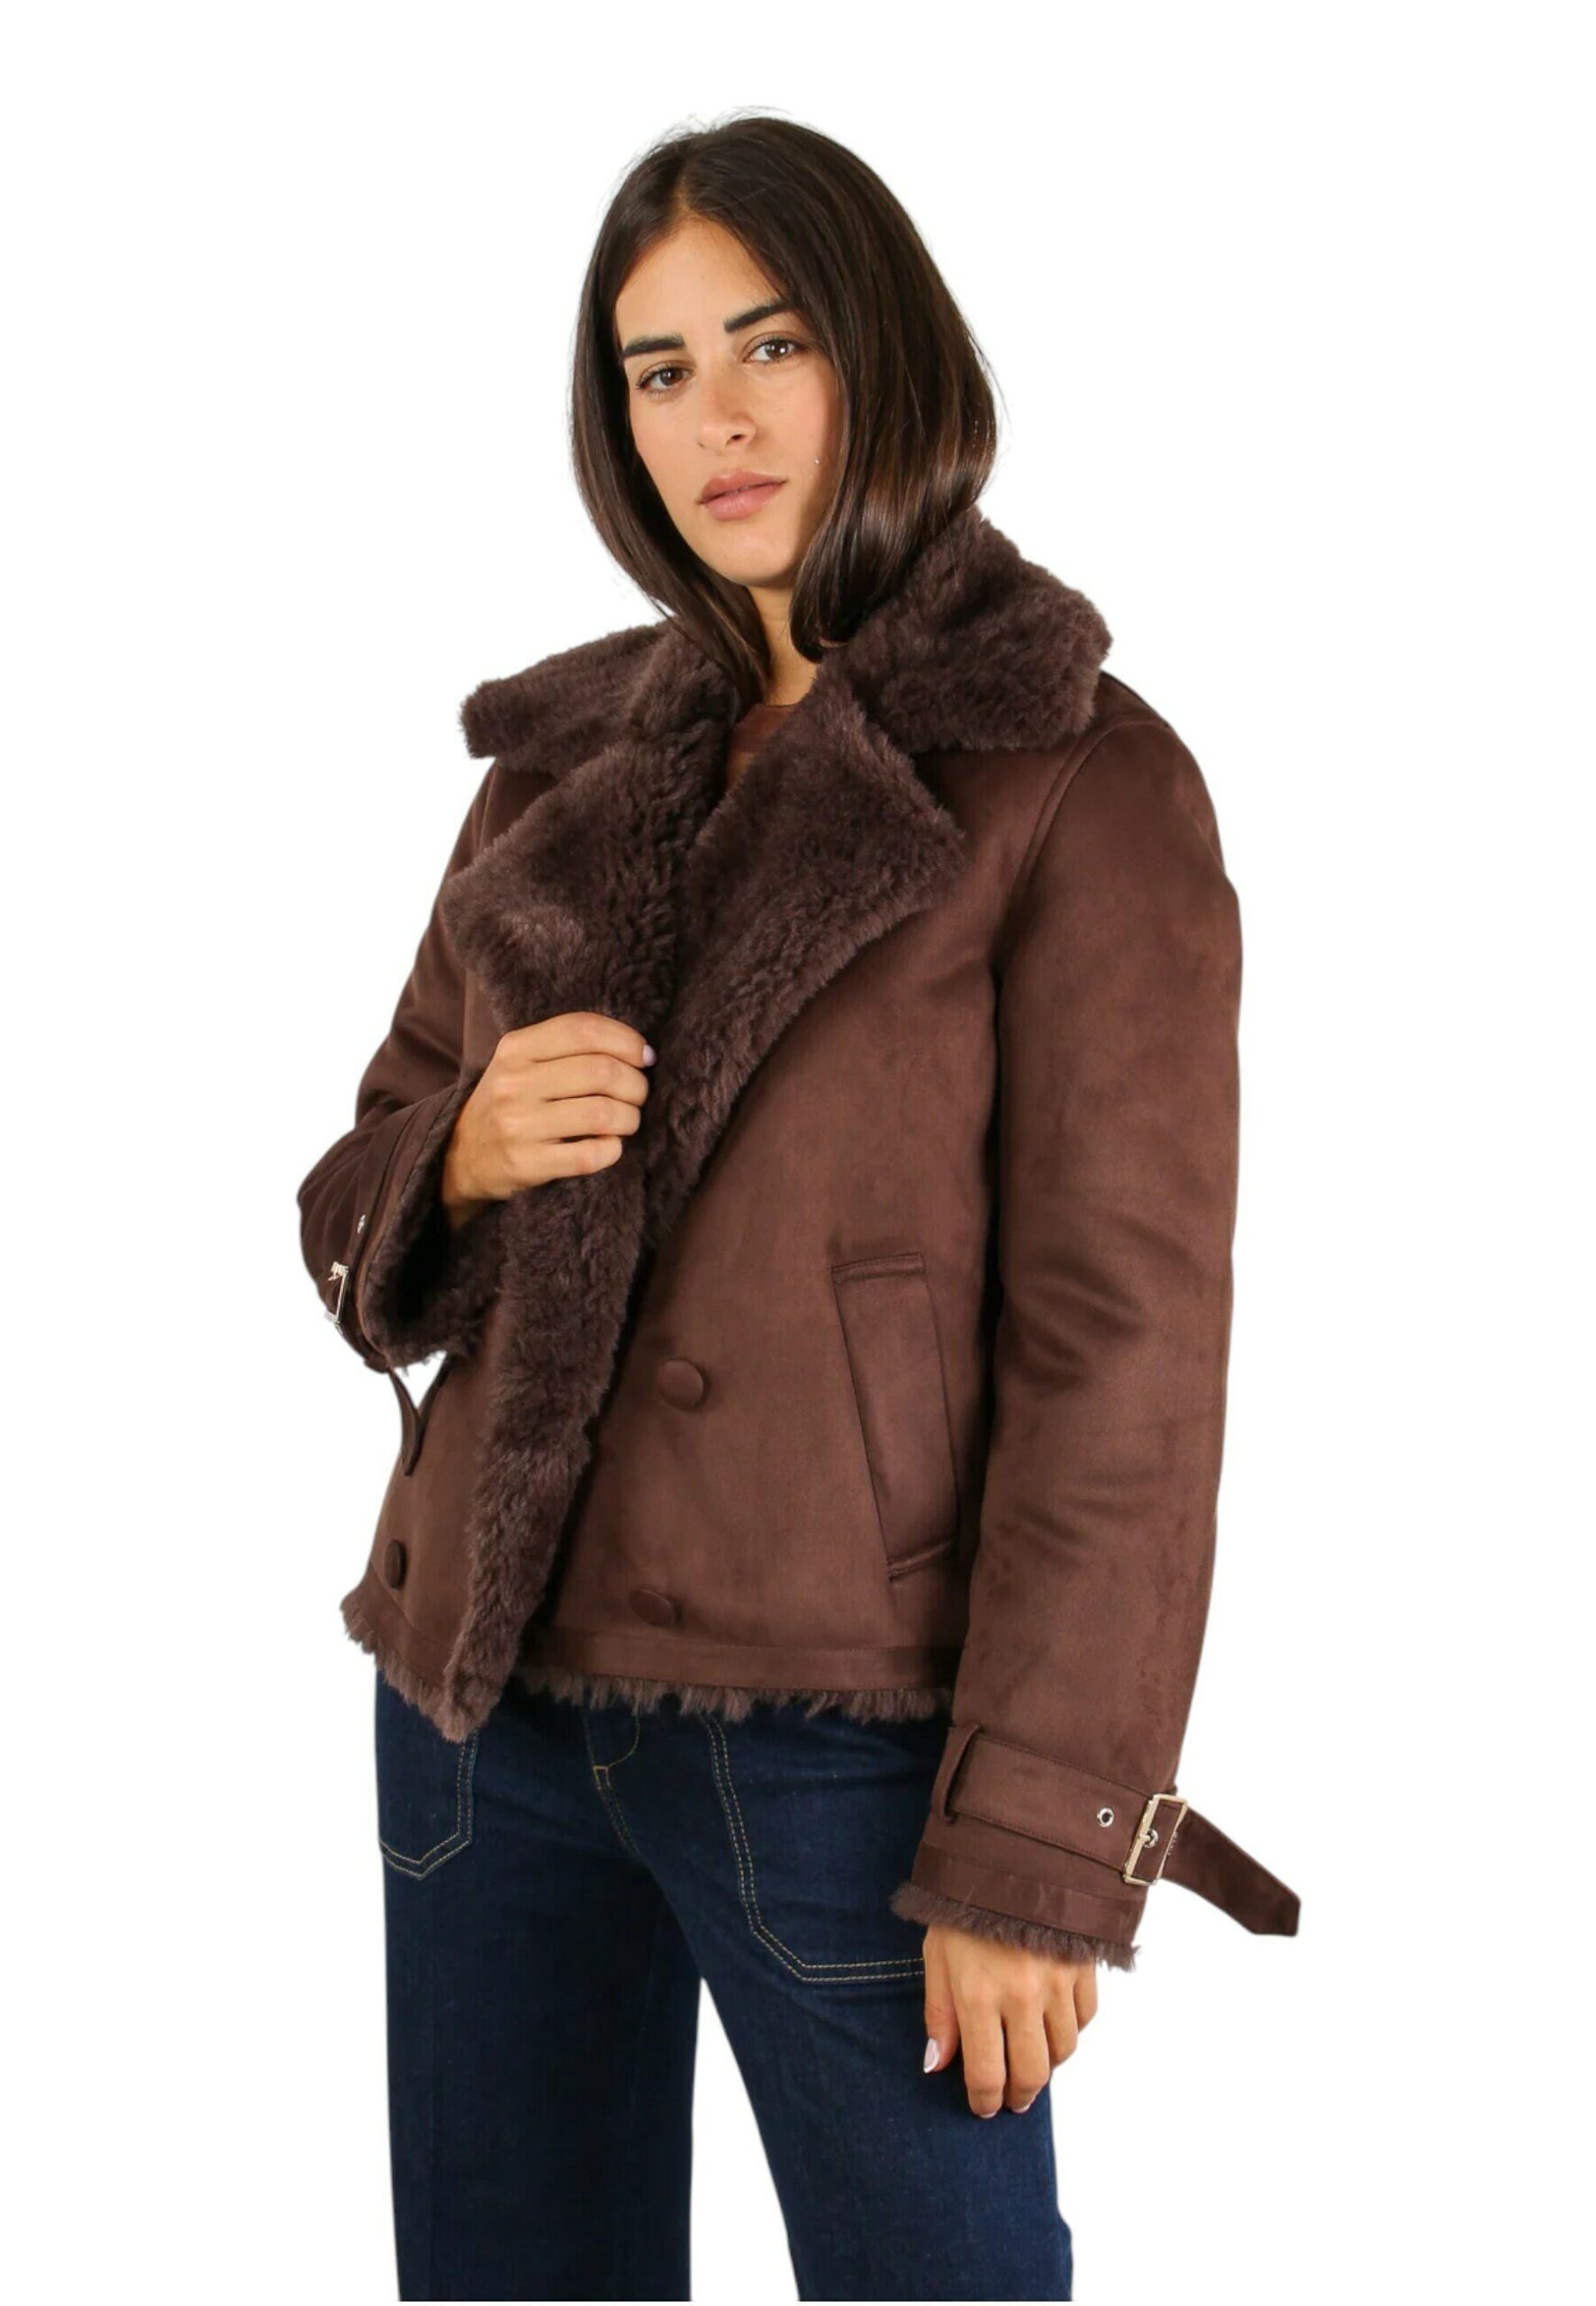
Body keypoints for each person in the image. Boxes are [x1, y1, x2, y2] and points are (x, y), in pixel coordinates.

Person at [295, 112, 1299, 2304]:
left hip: (845, 1742)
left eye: (770, 344)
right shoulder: (557, 766)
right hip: (484, 1711)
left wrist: (1035, 1847)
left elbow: (1123, 1360)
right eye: (657, 370)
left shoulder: (1074, 773)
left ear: (883, 353)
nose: (717, 417)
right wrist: (460, 1152)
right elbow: (357, 1195)